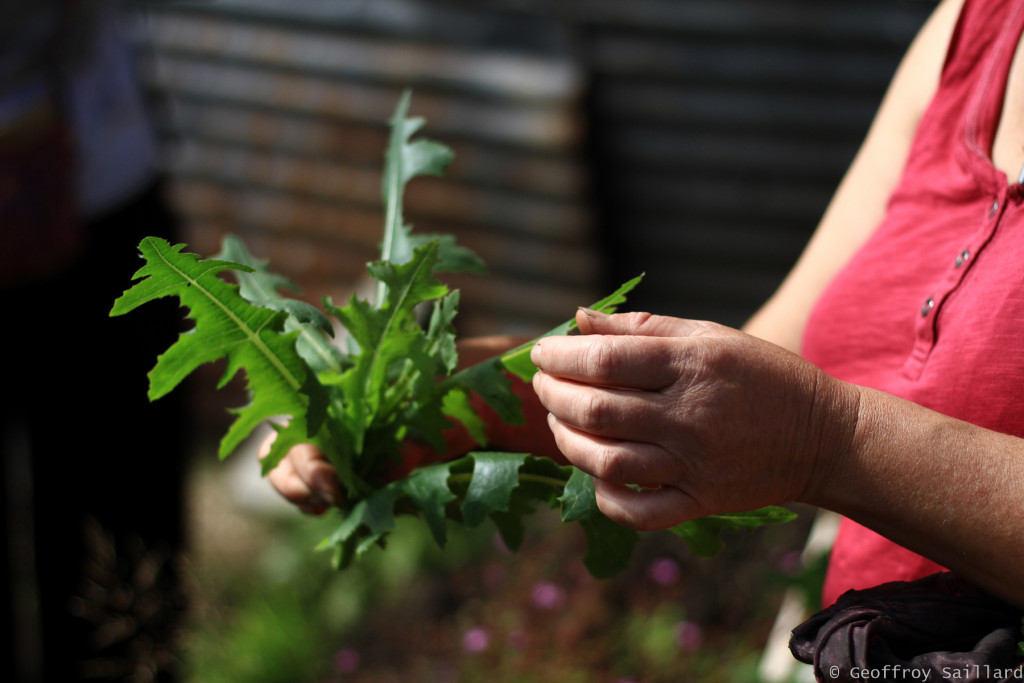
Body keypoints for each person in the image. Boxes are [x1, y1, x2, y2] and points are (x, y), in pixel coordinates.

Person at [266, 0, 1023, 630]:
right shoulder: (975, 25)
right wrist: (482, 395)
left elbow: (810, 418)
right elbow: (783, 359)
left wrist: (828, 443)